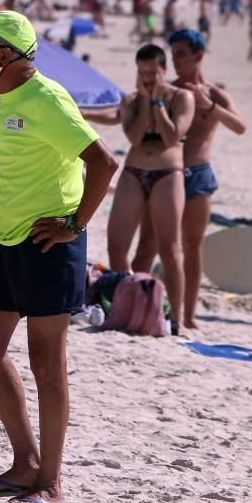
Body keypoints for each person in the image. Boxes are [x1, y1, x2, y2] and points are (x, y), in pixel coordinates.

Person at [0, 11, 117, 503]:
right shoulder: (3, 93)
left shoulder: (46, 97)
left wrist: (75, 224)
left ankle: (50, 482)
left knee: (47, 363)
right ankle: (24, 461)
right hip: (7, 241)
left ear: (8, 55)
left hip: (51, 244)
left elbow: (103, 162)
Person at [132, 29, 246, 330]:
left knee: (192, 246)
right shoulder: (168, 91)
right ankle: (135, 302)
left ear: (199, 55)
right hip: (165, 172)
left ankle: (187, 314)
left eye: (181, 53)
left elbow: (239, 126)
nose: (176, 59)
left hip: (197, 173)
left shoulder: (215, 94)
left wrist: (208, 104)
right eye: (173, 54)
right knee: (150, 245)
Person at [106, 44, 194, 333]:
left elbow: (171, 137)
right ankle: (129, 301)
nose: (146, 77)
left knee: (169, 249)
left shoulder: (181, 97)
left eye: (152, 72)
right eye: (141, 71)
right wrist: (145, 102)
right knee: (117, 246)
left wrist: (158, 102)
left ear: (163, 70)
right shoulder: (131, 100)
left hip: (168, 173)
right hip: (134, 171)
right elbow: (134, 137)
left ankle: (177, 317)